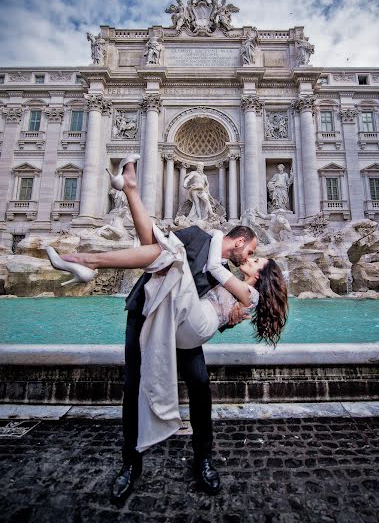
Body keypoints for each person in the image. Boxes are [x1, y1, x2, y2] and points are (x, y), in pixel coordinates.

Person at [46, 155, 288, 502]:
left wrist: (230, 319)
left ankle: (203, 457)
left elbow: (223, 311)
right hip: (147, 316)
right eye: (250, 249)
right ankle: (131, 464)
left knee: (201, 386)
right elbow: (150, 248)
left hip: (186, 329)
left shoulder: (233, 276)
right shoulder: (193, 235)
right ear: (239, 240)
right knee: (133, 386)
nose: (250, 256)